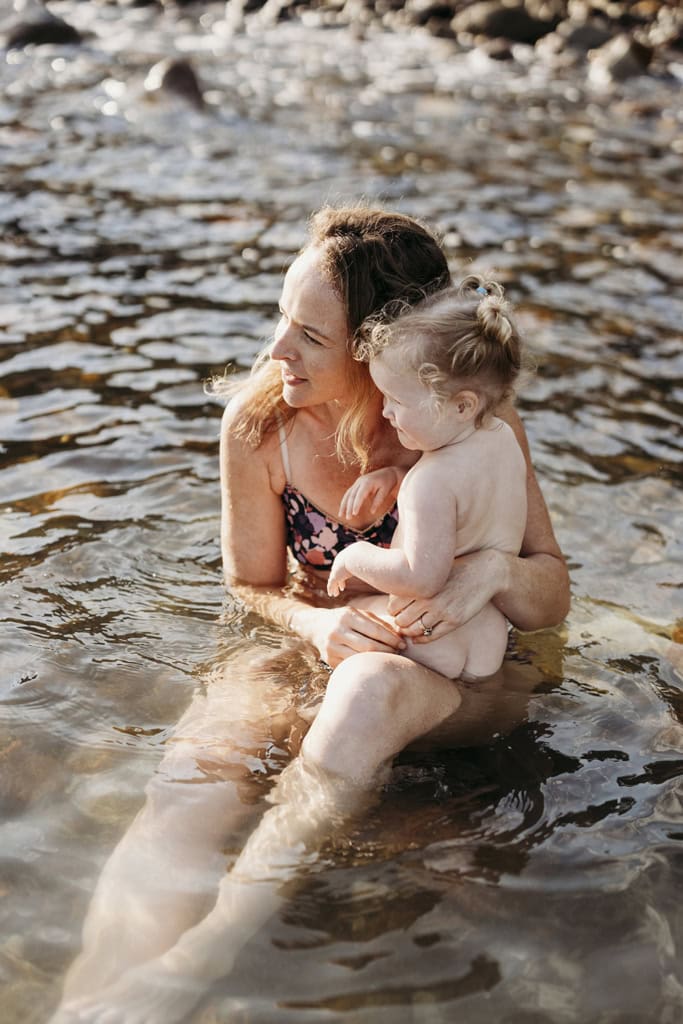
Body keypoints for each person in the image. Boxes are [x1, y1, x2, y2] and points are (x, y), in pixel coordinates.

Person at [51, 204, 569, 1024]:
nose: (275, 351)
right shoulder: (261, 427)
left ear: (381, 351)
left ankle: (203, 954)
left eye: (310, 336)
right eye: (281, 319)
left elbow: (549, 601)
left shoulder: (469, 421)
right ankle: (87, 1004)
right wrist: (314, 625)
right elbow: (248, 589)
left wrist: (492, 570)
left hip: (445, 681)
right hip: (317, 643)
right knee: (189, 784)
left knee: (369, 691)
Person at [327, 277, 529, 682]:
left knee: (338, 627)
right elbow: (469, 503)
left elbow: (422, 576)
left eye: (397, 401)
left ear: (461, 406)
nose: (385, 412)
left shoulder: (430, 481)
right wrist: (399, 475)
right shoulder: (502, 439)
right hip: (486, 633)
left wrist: (354, 557)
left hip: (429, 635)